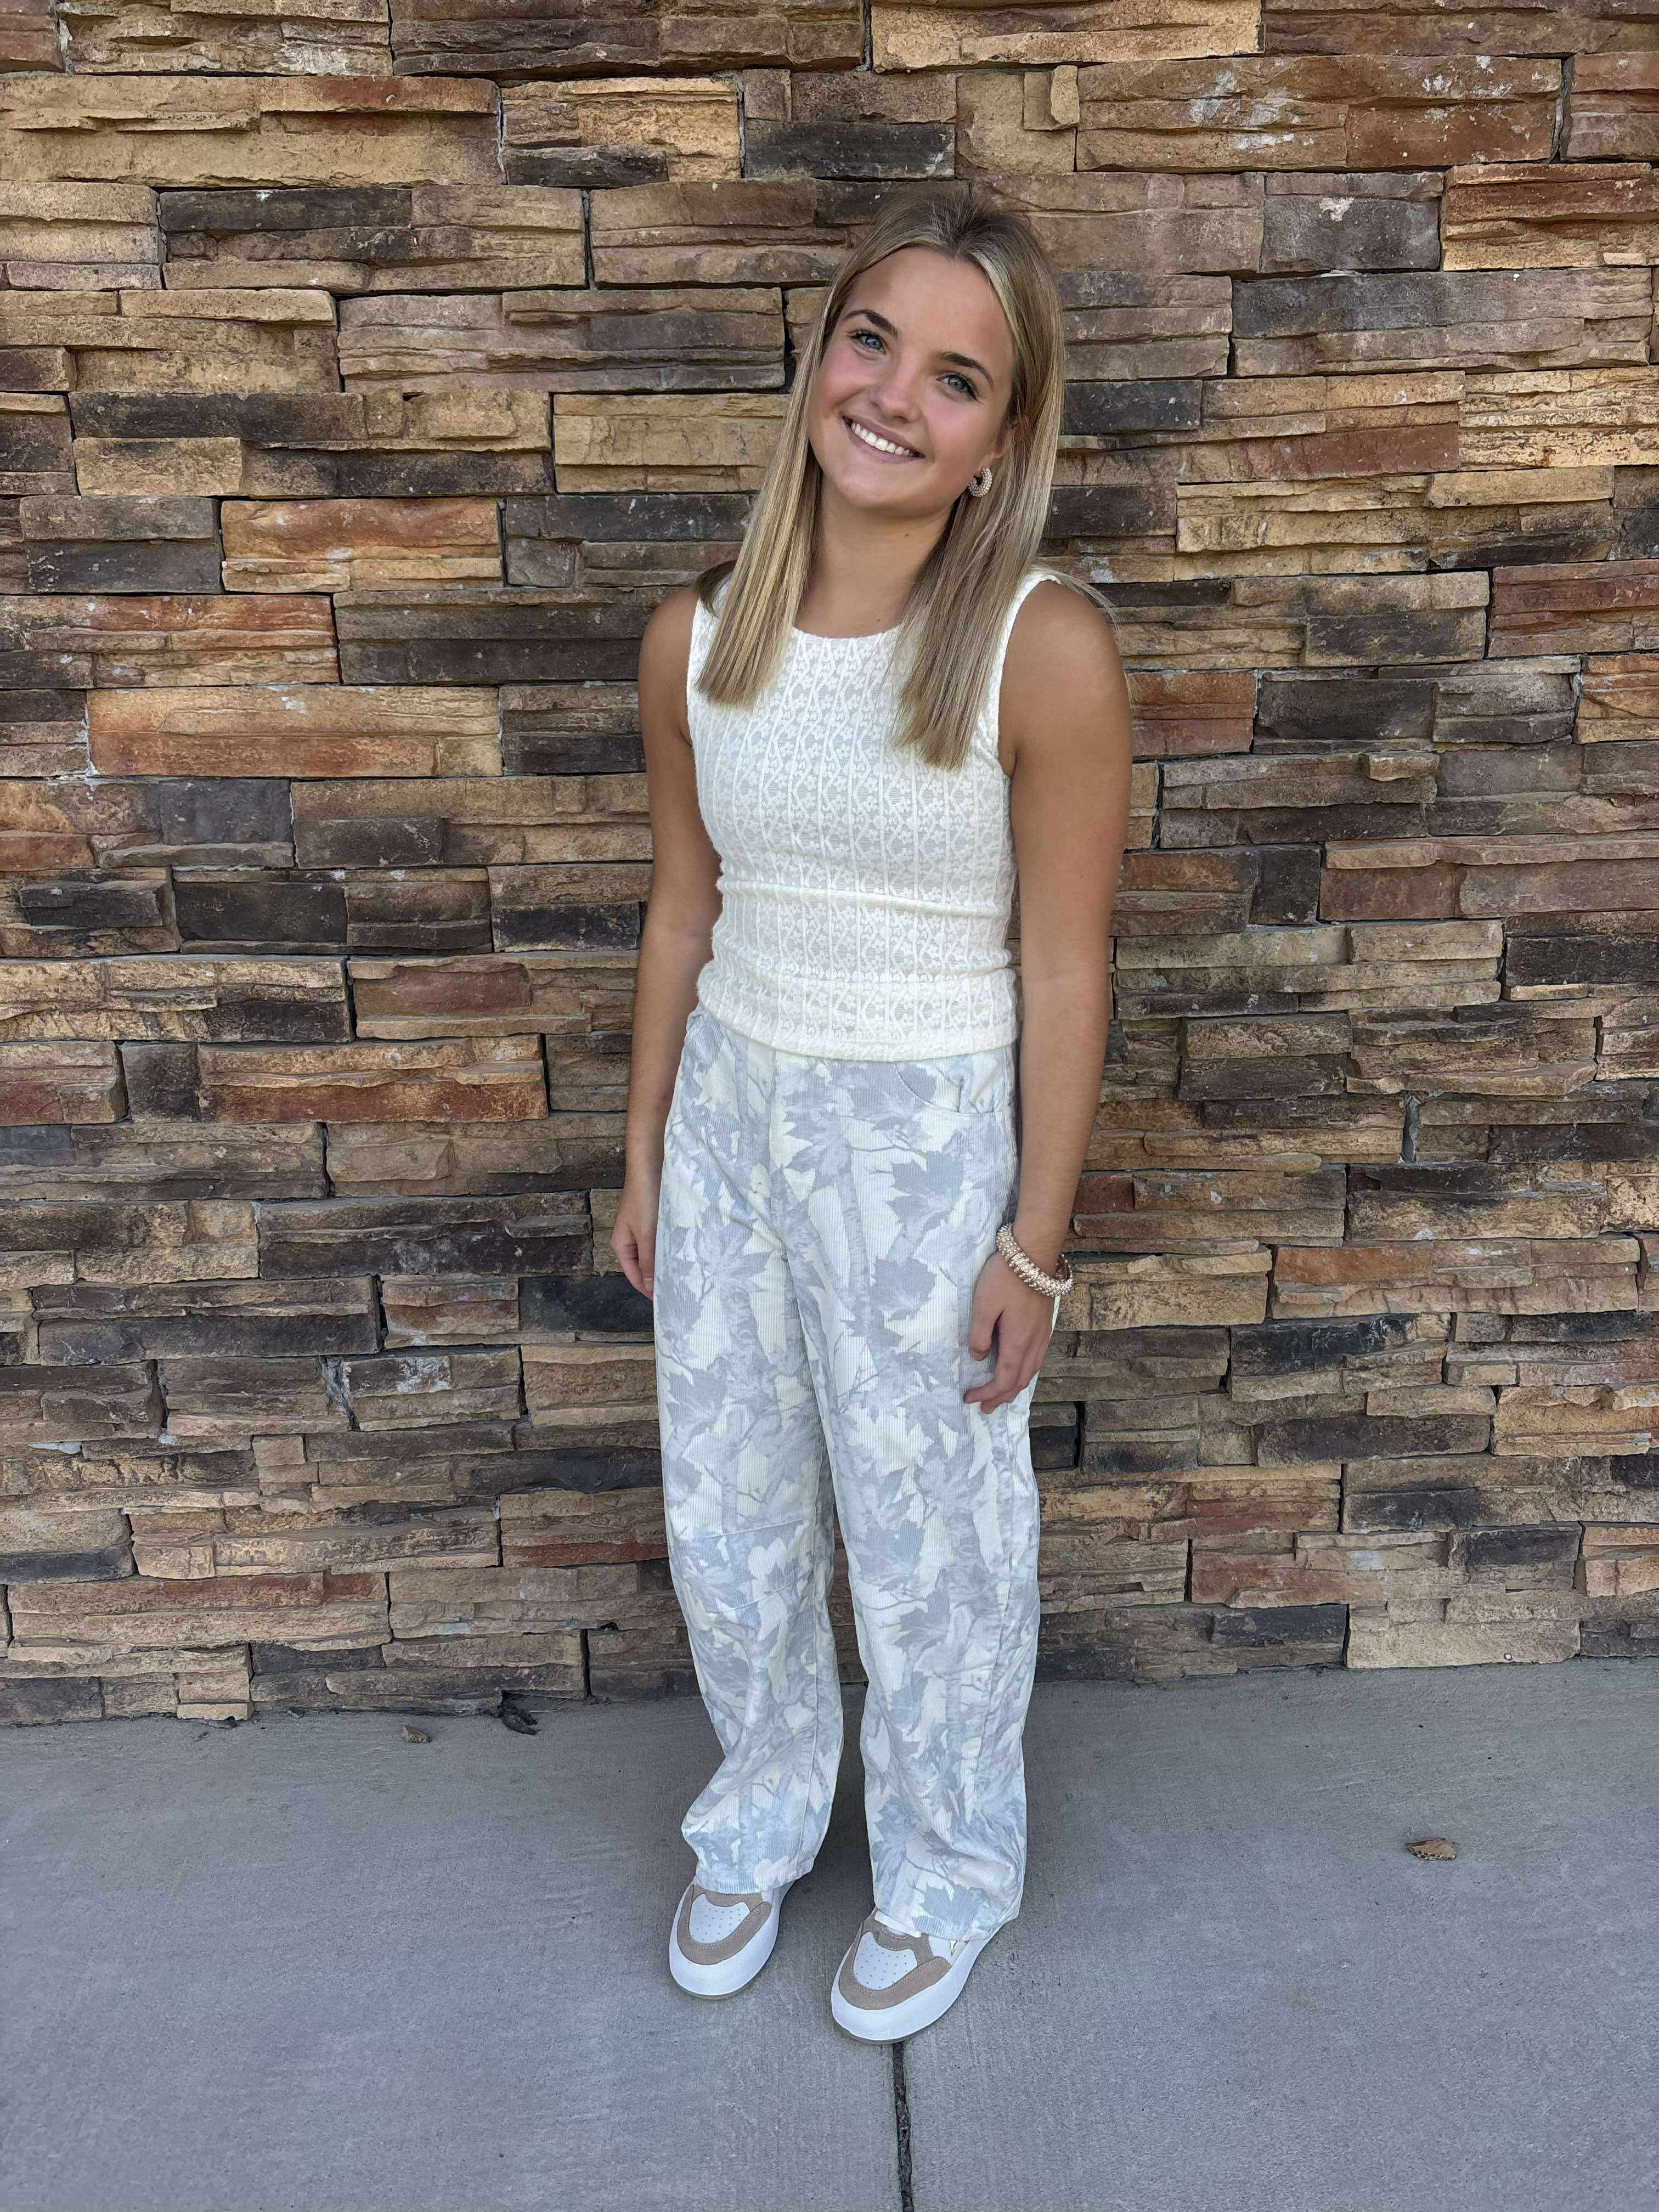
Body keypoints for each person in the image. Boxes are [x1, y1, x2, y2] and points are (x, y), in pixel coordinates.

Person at [611, 182, 1133, 2043]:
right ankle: (759, 1814)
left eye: (956, 379)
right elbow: (685, 908)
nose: (896, 398)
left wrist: (1035, 1246)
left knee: (933, 1544)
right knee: (732, 1511)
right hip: (734, 1122)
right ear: (821, 355)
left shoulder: (1039, 649)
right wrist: (646, 1151)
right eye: (873, 342)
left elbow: (1064, 967)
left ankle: (948, 1867)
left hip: (924, 1144)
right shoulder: (698, 638)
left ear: (1001, 439)